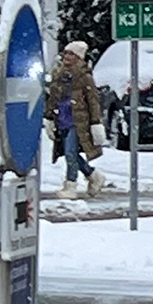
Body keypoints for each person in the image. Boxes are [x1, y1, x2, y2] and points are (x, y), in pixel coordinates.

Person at [49, 39, 106, 197]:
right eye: (66, 52)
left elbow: (93, 100)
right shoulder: (59, 73)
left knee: (70, 152)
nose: (67, 56)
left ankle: (71, 186)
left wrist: (95, 122)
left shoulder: (84, 76)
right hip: (62, 119)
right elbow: (53, 98)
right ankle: (93, 176)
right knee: (70, 153)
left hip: (77, 121)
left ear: (79, 57)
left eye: (71, 54)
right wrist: (49, 117)